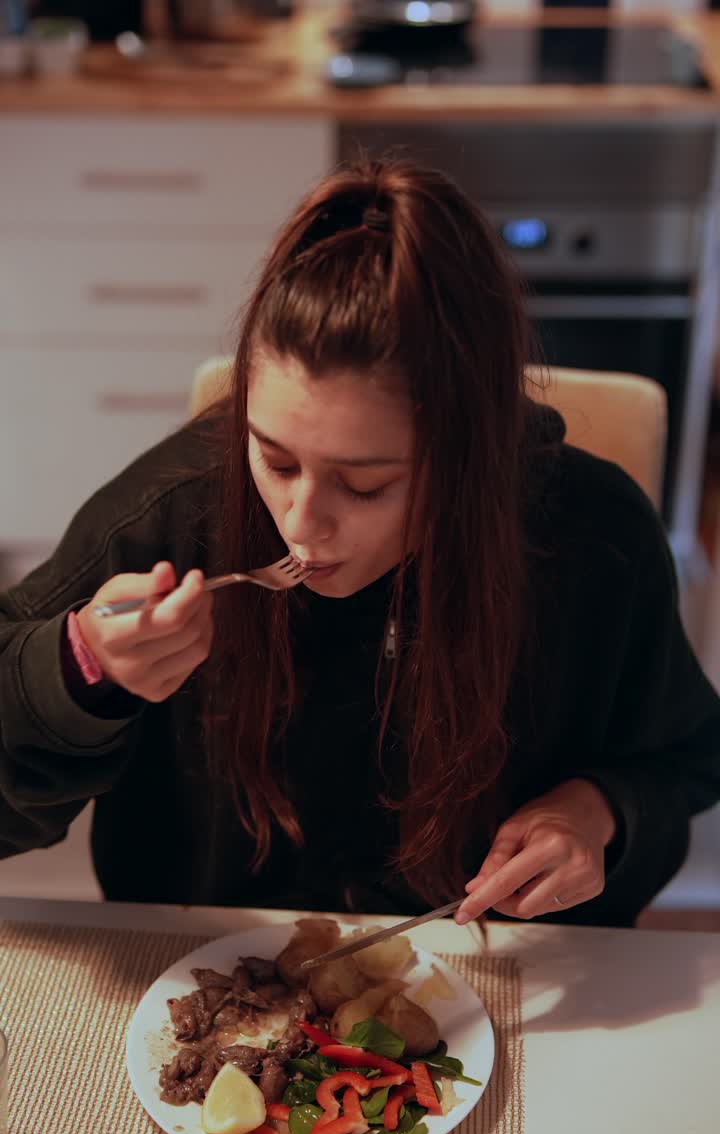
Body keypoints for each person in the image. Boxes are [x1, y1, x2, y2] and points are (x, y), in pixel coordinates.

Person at [1, 157, 719, 930]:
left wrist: (597, 810)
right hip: (209, 989)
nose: (300, 524)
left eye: (366, 485)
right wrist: (80, 674)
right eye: (275, 460)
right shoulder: (172, 516)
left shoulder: (595, 534)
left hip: (502, 984)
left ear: (469, 457)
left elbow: (683, 761)